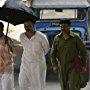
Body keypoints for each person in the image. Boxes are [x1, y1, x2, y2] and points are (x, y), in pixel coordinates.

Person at [51, 20, 88, 90]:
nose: (62, 28)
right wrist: (54, 65)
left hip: (73, 65)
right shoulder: (57, 38)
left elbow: (83, 51)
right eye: (61, 27)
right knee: (64, 87)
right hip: (61, 66)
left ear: (69, 27)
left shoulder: (75, 37)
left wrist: (83, 65)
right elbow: (53, 53)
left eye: (64, 26)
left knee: (73, 86)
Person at [19, 20, 49, 90]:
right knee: (22, 83)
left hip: (38, 65)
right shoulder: (22, 36)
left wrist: (37, 56)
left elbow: (46, 49)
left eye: (29, 25)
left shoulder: (41, 36)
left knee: (37, 86)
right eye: (25, 26)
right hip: (25, 64)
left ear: (33, 25)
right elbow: (25, 48)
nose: (27, 27)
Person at [0, 22, 16, 90]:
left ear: (2, 29)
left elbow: (15, 53)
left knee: (7, 88)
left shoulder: (8, 40)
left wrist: (8, 45)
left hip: (7, 69)